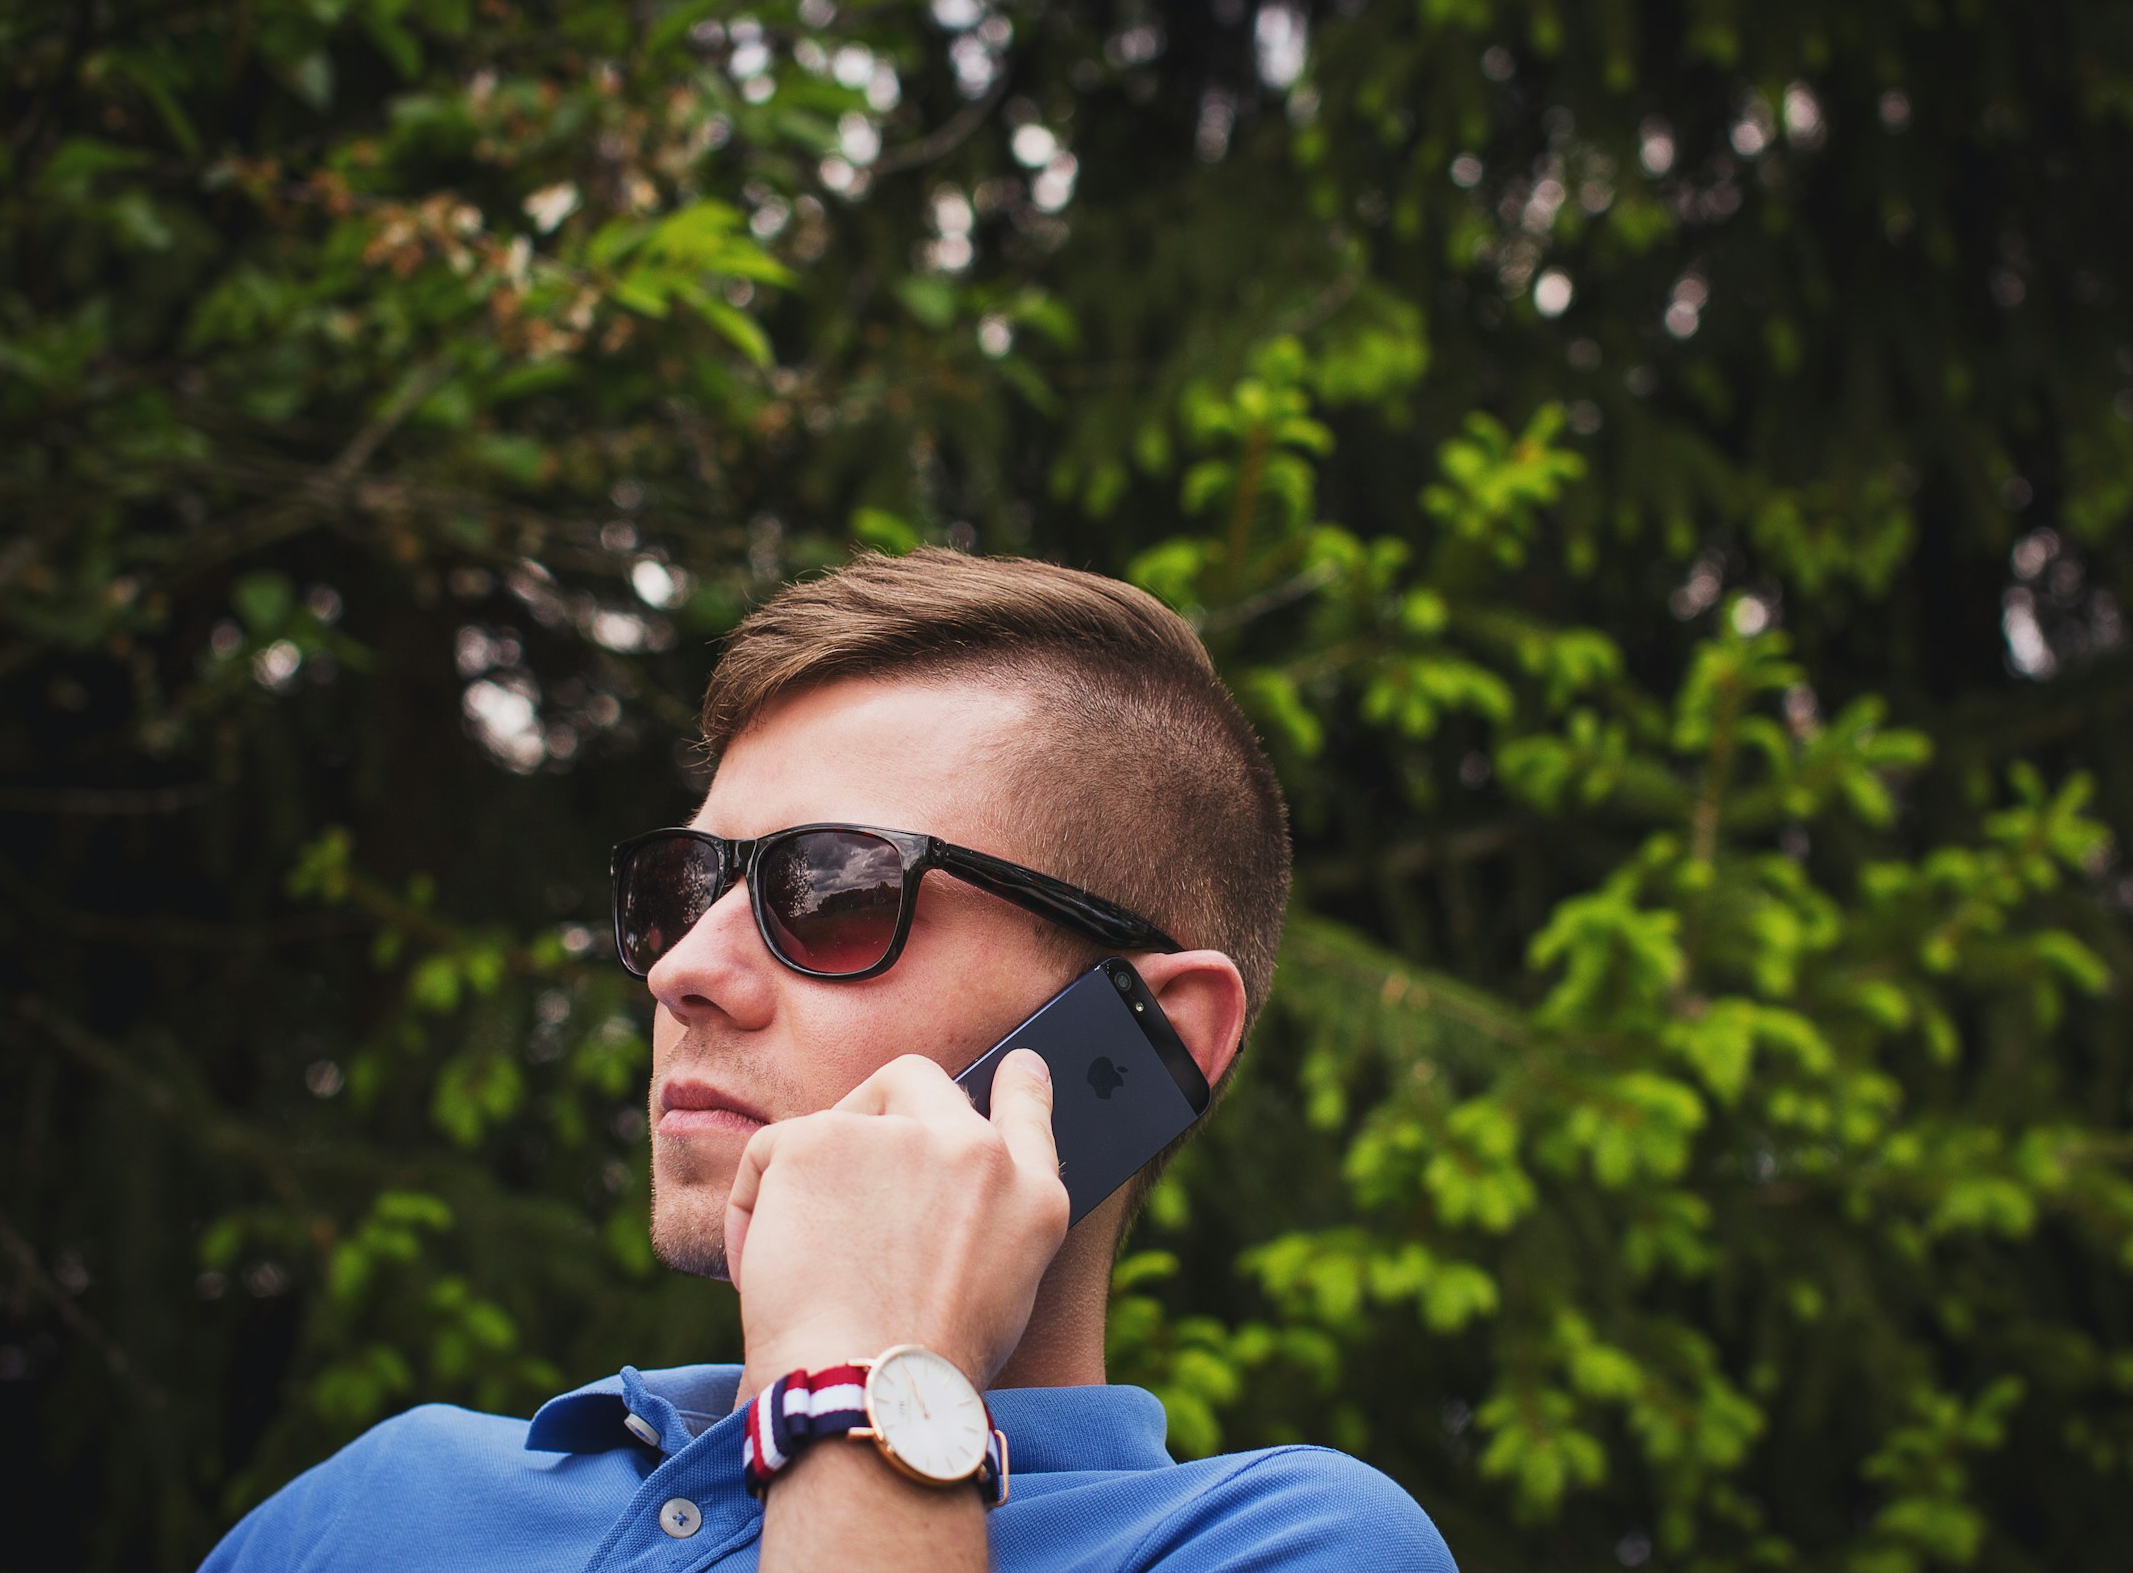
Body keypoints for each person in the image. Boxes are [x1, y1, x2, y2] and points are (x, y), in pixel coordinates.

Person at [201, 549, 1455, 1572]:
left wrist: (855, 1383)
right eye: (679, 887)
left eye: (831, 889)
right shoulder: (380, 1504)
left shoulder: (1278, 1545)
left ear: (1152, 1032)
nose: (681, 966)